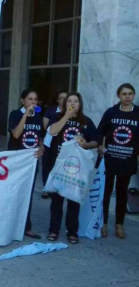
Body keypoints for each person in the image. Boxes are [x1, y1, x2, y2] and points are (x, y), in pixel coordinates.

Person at [47, 93, 98, 244]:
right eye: (69, 101)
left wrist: (86, 144)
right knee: (56, 199)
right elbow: (52, 131)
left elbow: (95, 141)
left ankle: (72, 231)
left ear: (80, 104)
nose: (72, 103)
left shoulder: (86, 121)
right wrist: (66, 116)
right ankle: (54, 230)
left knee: (73, 200)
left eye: (76, 101)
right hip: (59, 164)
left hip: (76, 167)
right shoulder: (57, 117)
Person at [97, 83, 139, 239]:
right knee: (106, 192)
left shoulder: (138, 113)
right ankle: (103, 222)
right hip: (110, 158)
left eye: (130, 93)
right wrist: (100, 146)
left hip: (128, 160)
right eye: (124, 94)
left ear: (133, 95)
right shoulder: (111, 112)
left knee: (122, 193)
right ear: (118, 96)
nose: (127, 97)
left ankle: (119, 224)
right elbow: (100, 131)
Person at [8, 89, 45, 239]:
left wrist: (42, 148)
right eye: (30, 99)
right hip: (17, 160)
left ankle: (26, 226)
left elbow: (40, 137)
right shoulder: (15, 114)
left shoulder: (38, 118)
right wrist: (25, 115)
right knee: (13, 193)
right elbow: (16, 134)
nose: (33, 102)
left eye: (35, 100)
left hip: (31, 161)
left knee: (27, 194)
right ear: (23, 100)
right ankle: (10, 224)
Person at [42, 89, 68, 199]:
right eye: (61, 97)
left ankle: (58, 188)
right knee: (47, 166)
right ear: (57, 99)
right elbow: (45, 125)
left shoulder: (71, 111)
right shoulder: (51, 110)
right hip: (49, 143)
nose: (63, 100)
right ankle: (46, 188)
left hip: (64, 144)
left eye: (65, 98)